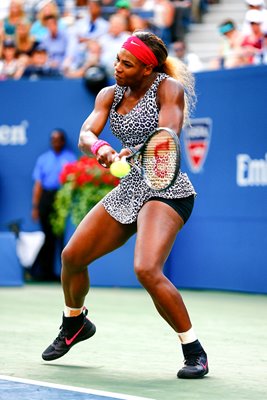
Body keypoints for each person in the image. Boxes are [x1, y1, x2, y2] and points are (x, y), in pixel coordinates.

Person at [41, 30, 209, 380]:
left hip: (167, 188)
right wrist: (100, 147)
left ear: (148, 69)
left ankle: (194, 350)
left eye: (127, 64)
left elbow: (169, 130)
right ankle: (75, 323)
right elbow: (87, 133)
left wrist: (140, 148)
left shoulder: (167, 89)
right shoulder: (109, 94)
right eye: (117, 59)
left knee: (147, 269)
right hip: (131, 186)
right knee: (72, 257)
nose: (117, 67)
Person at [31, 129, 76, 281]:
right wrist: (35, 207)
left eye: (59, 139)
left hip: (61, 198)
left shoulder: (70, 158)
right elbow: (38, 185)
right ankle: (44, 273)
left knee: (60, 237)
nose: (56, 142)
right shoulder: (43, 159)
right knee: (48, 237)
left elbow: (73, 181)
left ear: (63, 141)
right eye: (53, 139)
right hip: (46, 197)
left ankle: (64, 274)